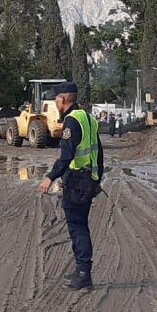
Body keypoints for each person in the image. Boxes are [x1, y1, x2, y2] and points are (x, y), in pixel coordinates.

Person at [39, 82, 104, 291]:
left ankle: (84, 273)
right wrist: (97, 179)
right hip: (87, 179)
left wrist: (50, 177)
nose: (55, 103)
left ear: (63, 99)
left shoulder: (71, 121)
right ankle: (80, 270)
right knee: (80, 225)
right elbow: (99, 152)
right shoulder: (88, 118)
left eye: (56, 99)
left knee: (78, 227)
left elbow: (66, 155)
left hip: (76, 181)